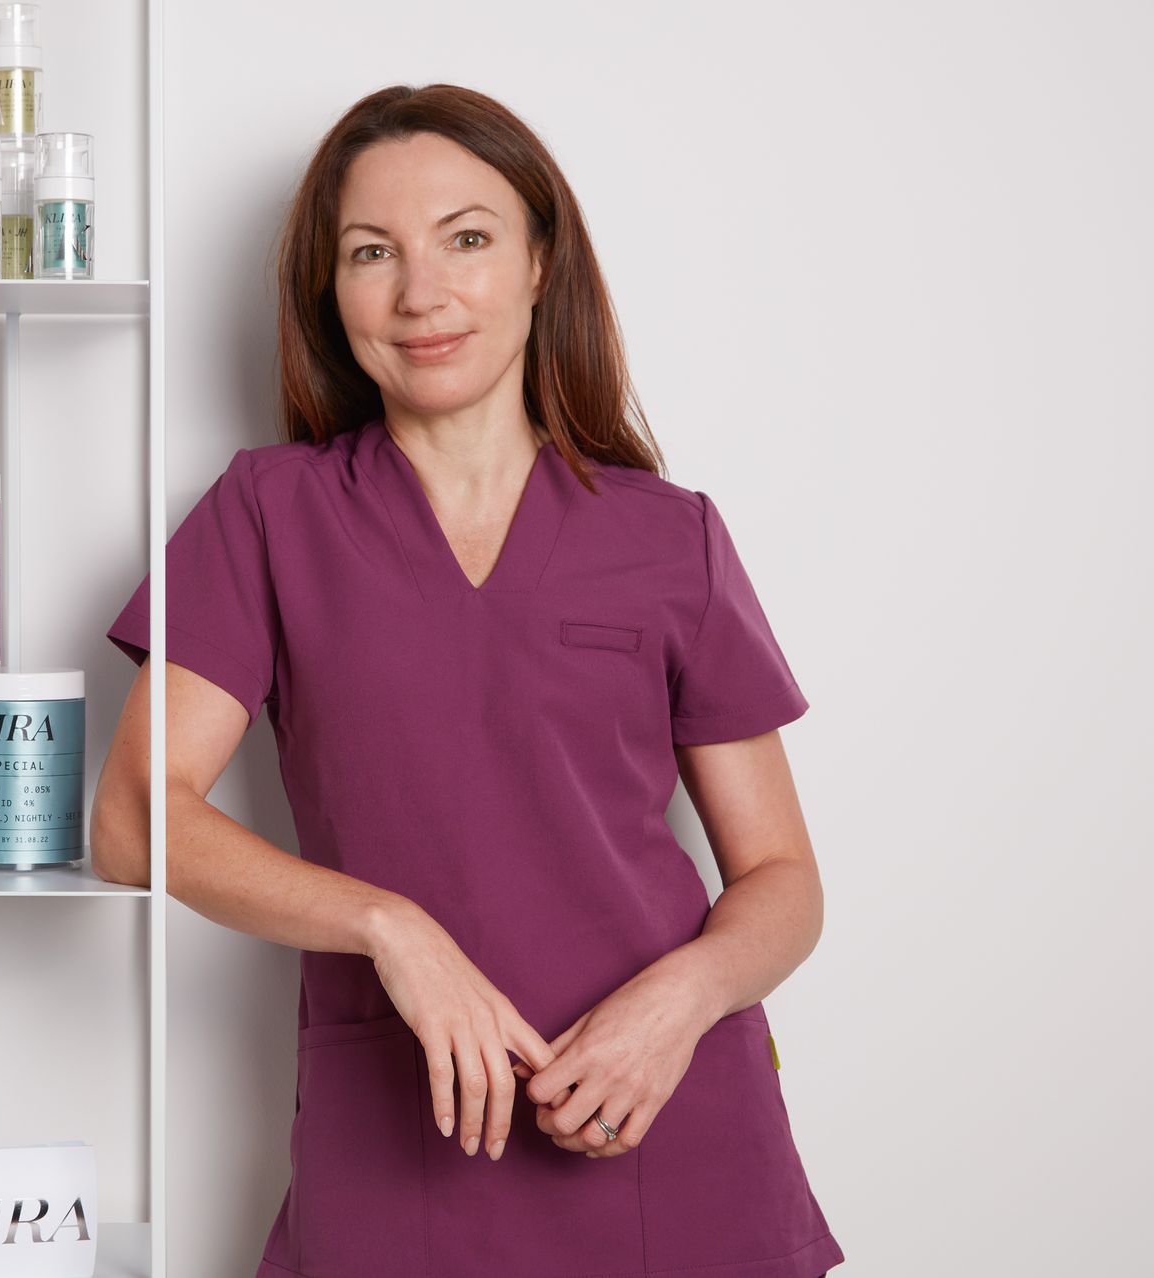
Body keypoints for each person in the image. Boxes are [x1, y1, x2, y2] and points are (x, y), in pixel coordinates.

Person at [90, 83, 843, 1278]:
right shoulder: (267, 517)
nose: (420, 293)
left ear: (541, 264)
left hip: (664, 1125)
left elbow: (782, 879)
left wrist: (680, 1004)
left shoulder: (671, 535)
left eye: (468, 239)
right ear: (330, 295)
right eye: (371, 253)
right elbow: (135, 823)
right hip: (403, 1141)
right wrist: (390, 929)